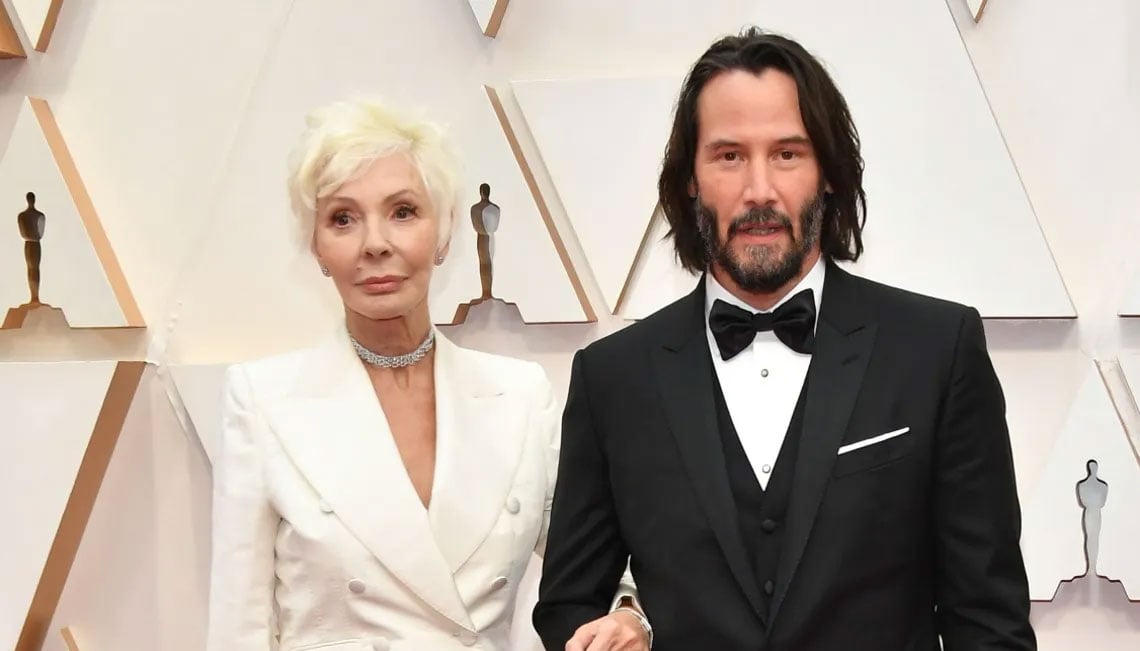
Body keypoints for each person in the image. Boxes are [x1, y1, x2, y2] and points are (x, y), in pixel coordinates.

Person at [534, 28, 1036, 650]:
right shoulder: (613, 378)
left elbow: (988, 622)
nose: (759, 190)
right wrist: (627, 622)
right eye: (729, 156)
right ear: (689, 179)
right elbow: (568, 606)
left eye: (787, 154)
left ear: (827, 172)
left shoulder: (937, 349)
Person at [206, 98, 646, 651]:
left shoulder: (520, 396)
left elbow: (594, 564)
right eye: (343, 218)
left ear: (443, 235)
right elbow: (238, 627)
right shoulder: (264, 399)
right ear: (316, 246)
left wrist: (630, 616)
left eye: (403, 211)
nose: (375, 244)